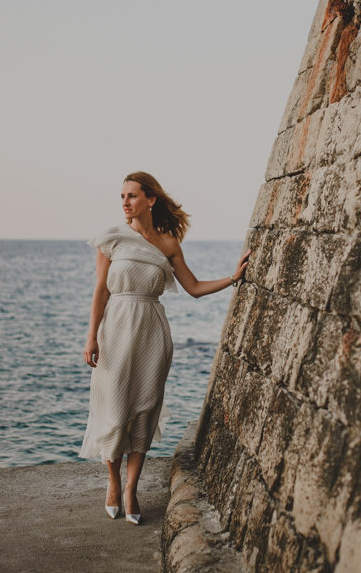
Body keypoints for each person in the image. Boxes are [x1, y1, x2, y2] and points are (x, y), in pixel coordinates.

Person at [79, 171, 250, 525]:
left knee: (144, 409)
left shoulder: (169, 244)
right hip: (116, 329)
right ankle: (112, 482)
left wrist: (233, 279)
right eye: (122, 196)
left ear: (150, 200)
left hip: (152, 333)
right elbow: (100, 291)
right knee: (112, 407)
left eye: (132, 195)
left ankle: (131, 488)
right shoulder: (111, 239)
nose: (125, 202)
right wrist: (91, 336)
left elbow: (194, 287)